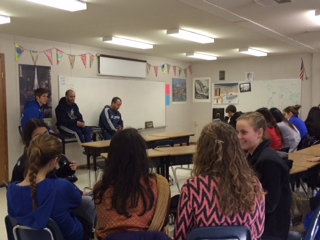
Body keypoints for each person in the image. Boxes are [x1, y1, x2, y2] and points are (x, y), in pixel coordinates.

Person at [174, 122, 265, 240]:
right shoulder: (253, 184)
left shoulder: (193, 188)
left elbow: (180, 235)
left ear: (202, 151)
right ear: (236, 149)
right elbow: (258, 232)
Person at [7, 134, 95, 240]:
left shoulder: (11, 191)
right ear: (54, 161)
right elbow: (77, 202)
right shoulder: (61, 186)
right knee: (89, 202)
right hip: (70, 236)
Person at [93, 128, 170, 239]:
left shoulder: (100, 189)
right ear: (142, 156)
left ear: (112, 156)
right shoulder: (159, 185)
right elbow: (163, 221)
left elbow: (102, 226)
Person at [236, 112, 291, 240]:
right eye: (237, 132)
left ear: (259, 133)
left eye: (244, 132)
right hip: (263, 223)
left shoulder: (267, 161)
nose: (239, 137)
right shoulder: (253, 155)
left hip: (271, 229)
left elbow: (269, 204)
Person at [11, 119, 77, 182]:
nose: (45, 137)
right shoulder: (28, 163)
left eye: (46, 133)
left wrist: (64, 171)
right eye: (39, 136)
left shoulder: (40, 155)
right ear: (30, 139)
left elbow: (47, 179)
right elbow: (42, 186)